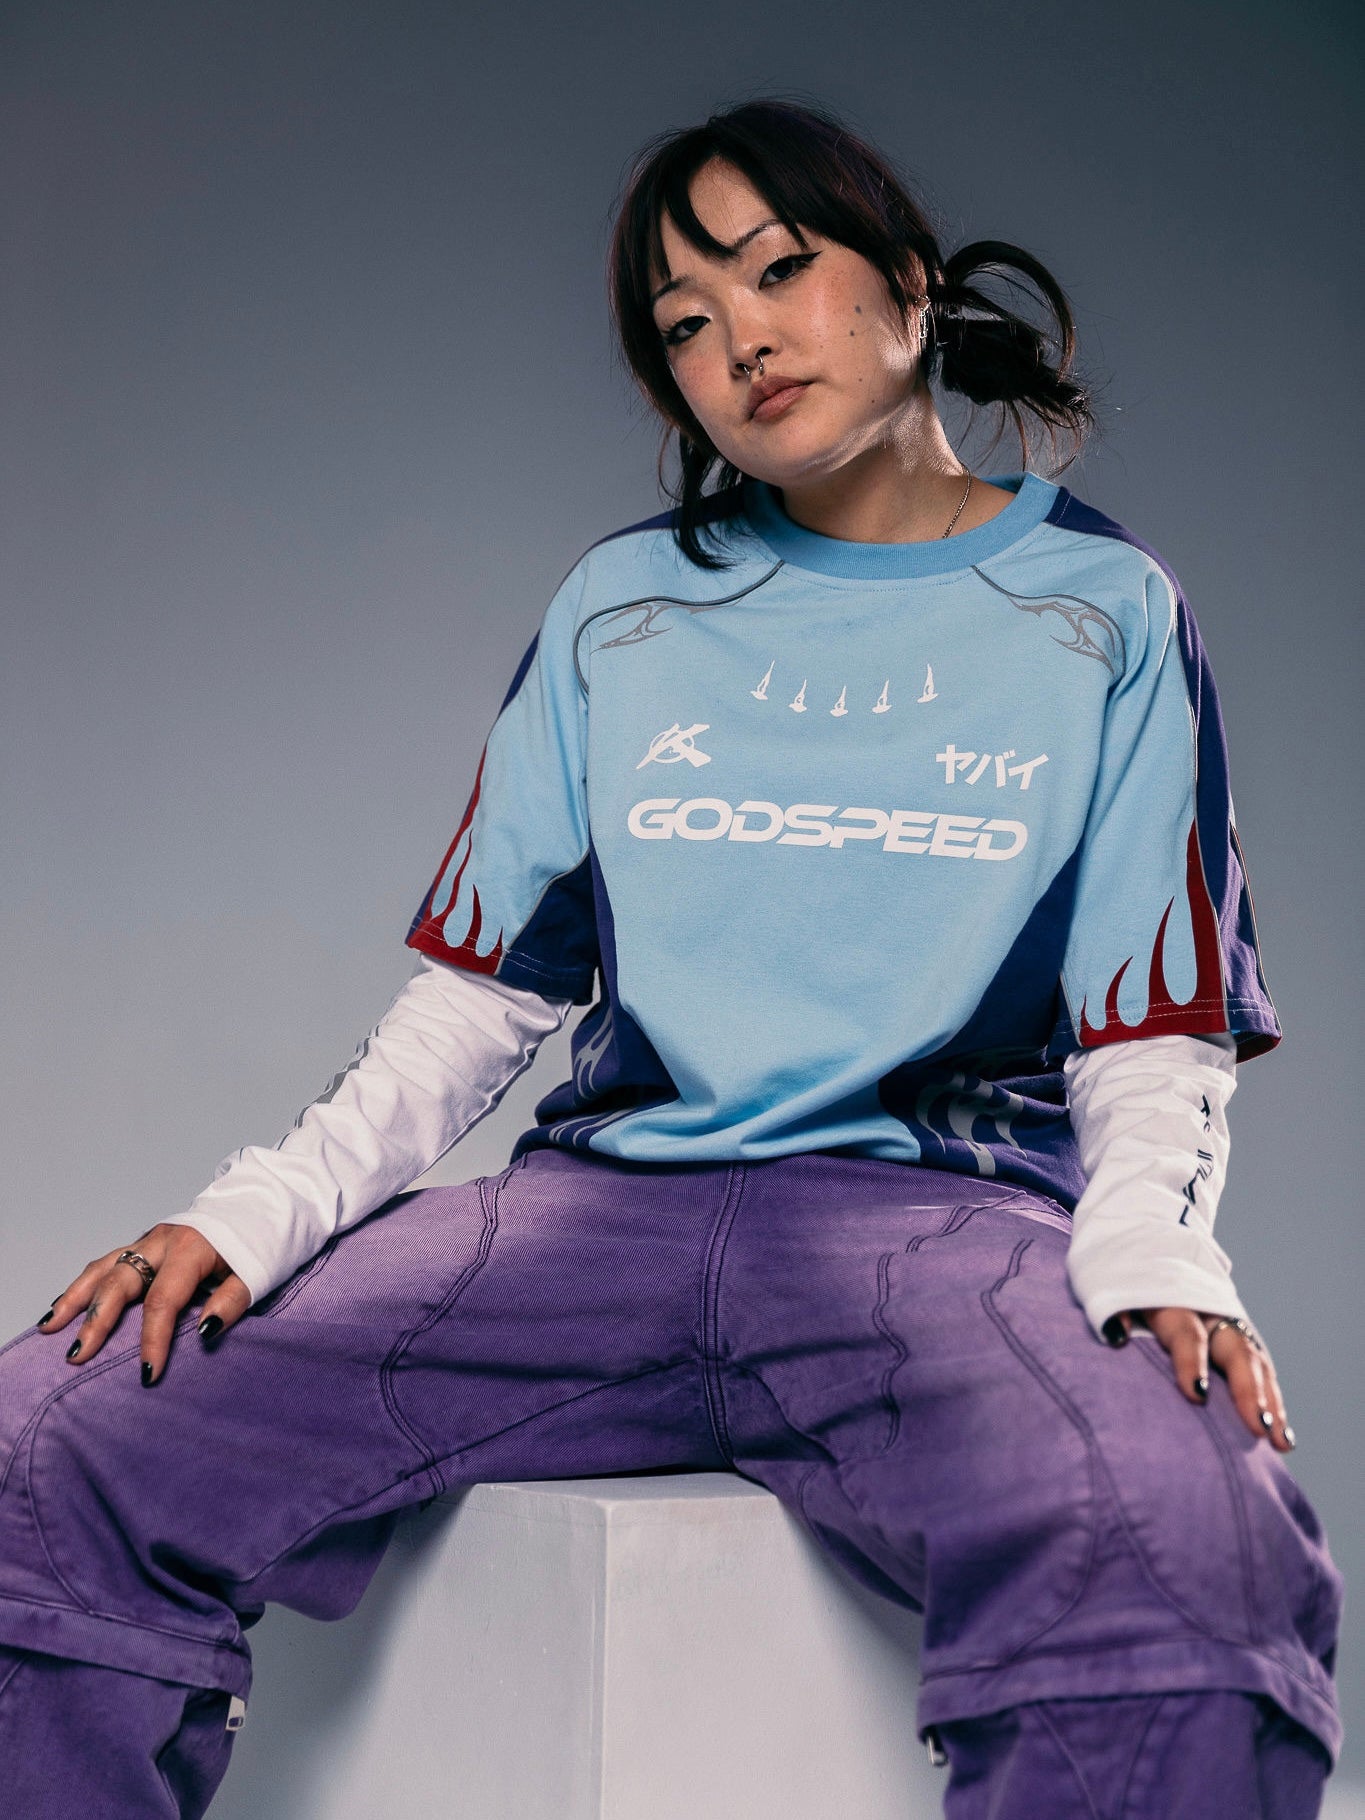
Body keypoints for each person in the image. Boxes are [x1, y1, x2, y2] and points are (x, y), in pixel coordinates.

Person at [0, 95, 1344, 1818]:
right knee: (50, 1437)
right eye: (684, 325)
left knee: (1180, 1536)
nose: (739, 344)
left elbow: (1149, 1025)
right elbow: (482, 996)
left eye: (777, 271)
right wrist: (258, 1209)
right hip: (593, 1228)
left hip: (937, 1227)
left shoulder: (1107, 614)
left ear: (910, 285)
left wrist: (1153, 1250)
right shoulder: (623, 610)